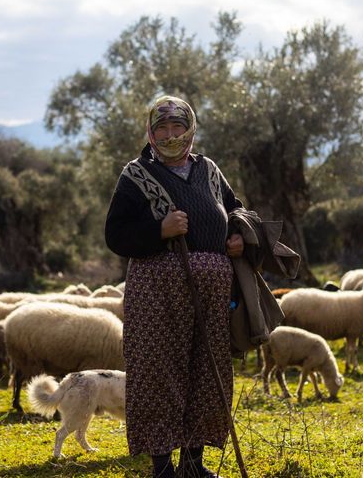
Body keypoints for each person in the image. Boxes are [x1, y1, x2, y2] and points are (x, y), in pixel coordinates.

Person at [105, 95, 244, 478]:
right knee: (158, 373)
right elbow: (116, 235)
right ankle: (163, 468)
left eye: (177, 127)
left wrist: (237, 236)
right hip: (157, 293)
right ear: (150, 132)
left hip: (212, 293)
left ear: (190, 129)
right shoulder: (135, 175)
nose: (170, 135)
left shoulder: (210, 171)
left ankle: (194, 466)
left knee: (206, 373)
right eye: (161, 128)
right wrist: (159, 231)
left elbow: (235, 209)